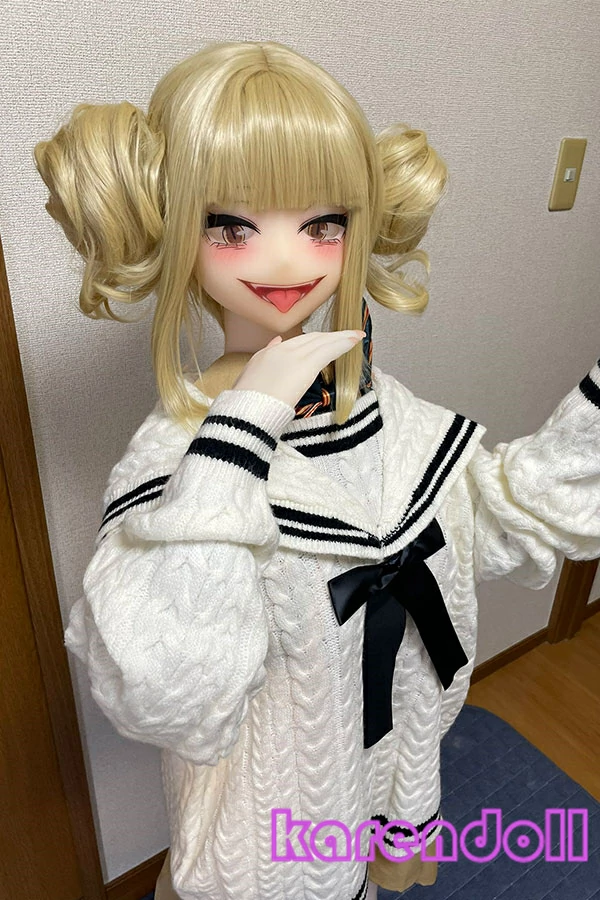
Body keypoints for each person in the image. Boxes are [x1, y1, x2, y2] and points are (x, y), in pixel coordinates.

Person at [34, 41, 600, 900]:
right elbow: (166, 692)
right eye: (231, 225)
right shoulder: (174, 465)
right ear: (171, 223)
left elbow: (499, 519)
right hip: (260, 844)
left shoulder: (386, 412)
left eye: (323, 223)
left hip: (379, 782)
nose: (287, 261)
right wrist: (244, 424)